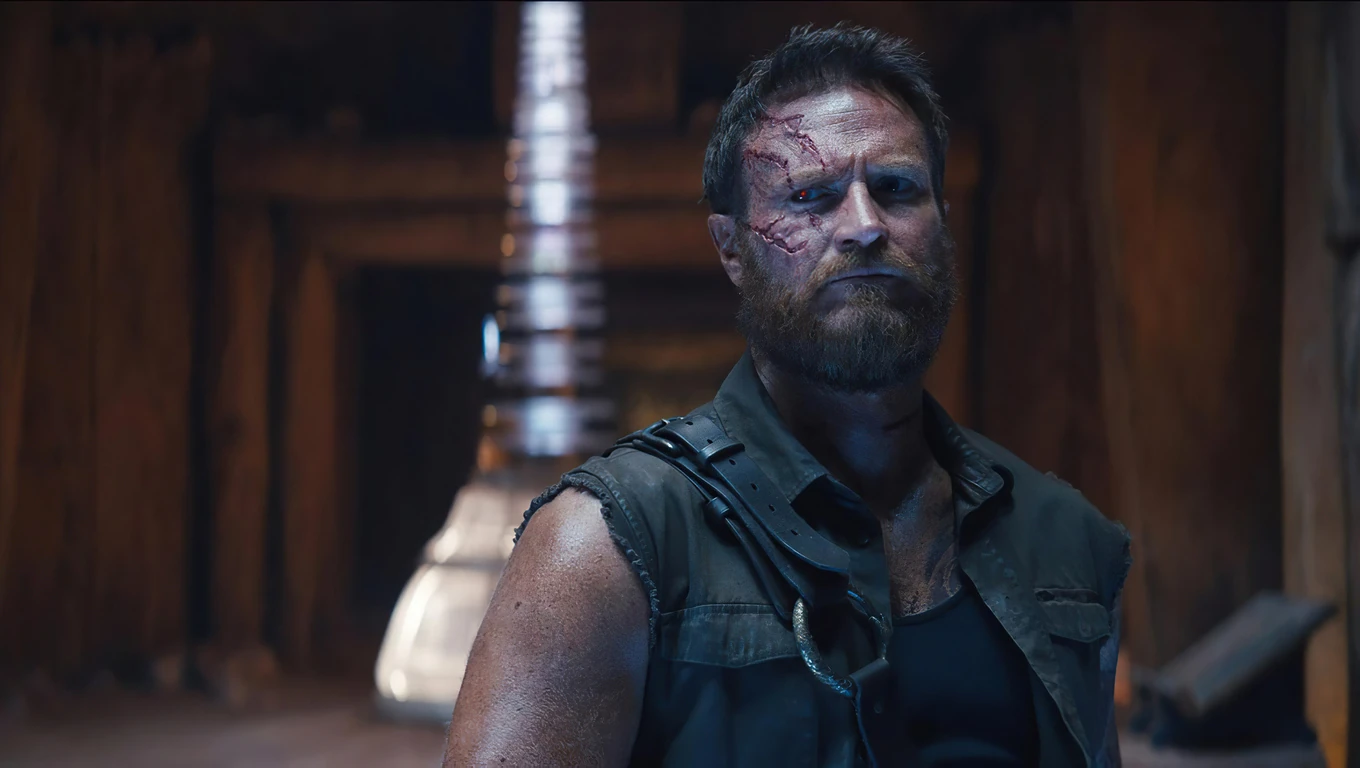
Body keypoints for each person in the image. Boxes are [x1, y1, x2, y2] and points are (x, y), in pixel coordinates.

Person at [444, 23, 1129, 768]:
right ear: (731, 249)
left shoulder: (1067, 540)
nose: (864, 226)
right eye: (810, 196)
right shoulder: (607, 546)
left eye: (896, 189)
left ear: (943, 225)